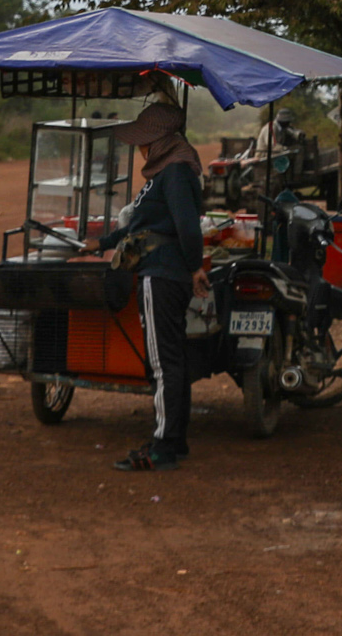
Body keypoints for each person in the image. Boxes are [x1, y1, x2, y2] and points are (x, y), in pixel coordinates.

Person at [101, 101, 205, 472]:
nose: (140, 149)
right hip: (167, 273)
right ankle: (176, 441)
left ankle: (161, 447)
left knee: (163, 364)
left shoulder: (175, 171)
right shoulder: (167, 171)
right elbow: (140, 224)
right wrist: (100, 243)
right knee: (173, 360)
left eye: (143, 142)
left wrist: (194, 268)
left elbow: (188, 227)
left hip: (162, 274)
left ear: (159, 142)